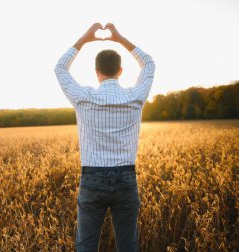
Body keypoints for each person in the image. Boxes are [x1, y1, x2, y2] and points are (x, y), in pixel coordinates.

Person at [54, 23, 155, 252]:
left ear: (96, 72)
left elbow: (60, 68)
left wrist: (85, 39)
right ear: (120, 71)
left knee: (86, 246)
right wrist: (120, 39)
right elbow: (148, 63)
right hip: (126, 179)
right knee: (128, 246)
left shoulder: (83, 97)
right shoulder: (135, 96)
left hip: (92, 179)